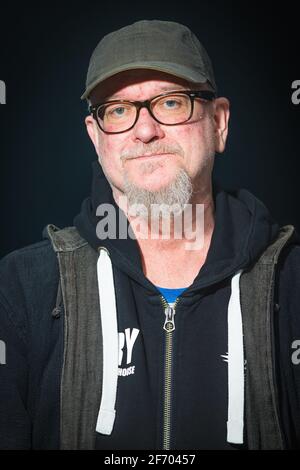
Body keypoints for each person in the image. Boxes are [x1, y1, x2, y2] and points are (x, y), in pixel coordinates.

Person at [0, 19, 299, 451]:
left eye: (172, 102)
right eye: (118, 110)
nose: (144, 131)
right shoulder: (21, 291)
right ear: (96, 138)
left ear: (219, 123)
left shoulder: (291, 286)